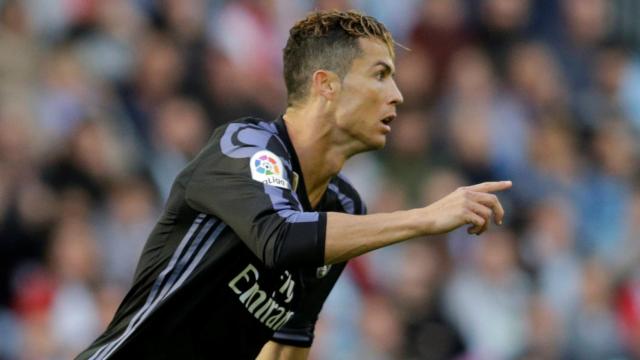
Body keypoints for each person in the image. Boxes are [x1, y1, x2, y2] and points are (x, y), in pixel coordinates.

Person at [77, 10, 511, 360]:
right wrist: (425, 218)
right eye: (380, 75)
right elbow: (282, 236)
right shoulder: (244, 148)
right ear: (326, 85)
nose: (397, 94)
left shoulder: (344, 205)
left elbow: (288, 341)